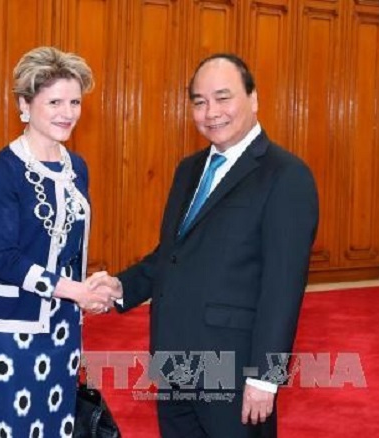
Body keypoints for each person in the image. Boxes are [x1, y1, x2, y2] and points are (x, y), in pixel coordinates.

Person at [88, 53, 319, 437]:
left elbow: (284, 288)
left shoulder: (286, 176)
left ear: (254, 99)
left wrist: (266, 379)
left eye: (223, 97)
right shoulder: (189, 169)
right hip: (174, 361)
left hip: (234, 370)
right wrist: (122, 286)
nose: (211, 112)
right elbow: (172, 255)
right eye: (199, 101)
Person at [0, 46, 118, 438]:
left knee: (58, 425)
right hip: (12, 327)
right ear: (25, 103)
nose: (67, 112)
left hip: (64, 325)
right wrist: (76, 291)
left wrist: (91, 287)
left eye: (74, 101)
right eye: (54, 101)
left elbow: (68, 246)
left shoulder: (77, 167)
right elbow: (5, 259)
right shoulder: (2, 171)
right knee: (14, 426)